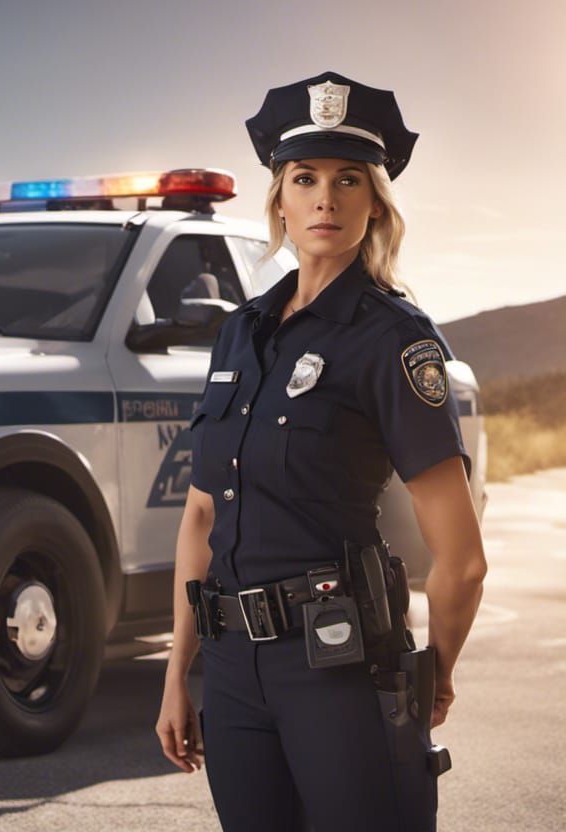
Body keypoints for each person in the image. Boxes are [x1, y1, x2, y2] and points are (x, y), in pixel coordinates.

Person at [155, 72, 488, 832]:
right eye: (304, 178)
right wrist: (179, 674)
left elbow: (462, 560)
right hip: (232, 675)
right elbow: (201, 516)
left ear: (376, 203)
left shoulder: (394, 339)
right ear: (279, 199)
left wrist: (433, 672)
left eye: (348, 180)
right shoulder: (239, 334)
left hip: (341, 666)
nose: (324, 200)